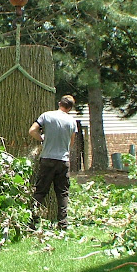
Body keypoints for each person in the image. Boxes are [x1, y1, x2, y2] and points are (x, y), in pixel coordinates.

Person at [28, 95, 78, 230]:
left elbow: (32, 131)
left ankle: (32, 220)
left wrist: (42, 138)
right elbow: (71, 143)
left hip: (47, 159)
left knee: (40, 191)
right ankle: (63, 224)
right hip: (63, 160)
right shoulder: (72, 122)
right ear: (70, 108)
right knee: (62, 193)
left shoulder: (46, 116)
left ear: (59, 103)